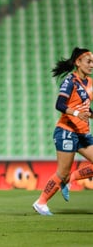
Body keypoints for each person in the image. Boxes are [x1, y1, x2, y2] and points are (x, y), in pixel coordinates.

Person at [33, 47, 93, 216]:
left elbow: (87, 109)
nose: (92, 65)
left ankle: (72, 179)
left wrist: (89, 114)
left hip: (82, 134)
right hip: (66, 131)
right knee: (62, 172)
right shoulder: (70, 81)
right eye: (88, 61)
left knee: (68, 175)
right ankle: (41, 202)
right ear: (78, 62)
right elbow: (59, 104)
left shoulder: (90, 83)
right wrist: (76, 113)